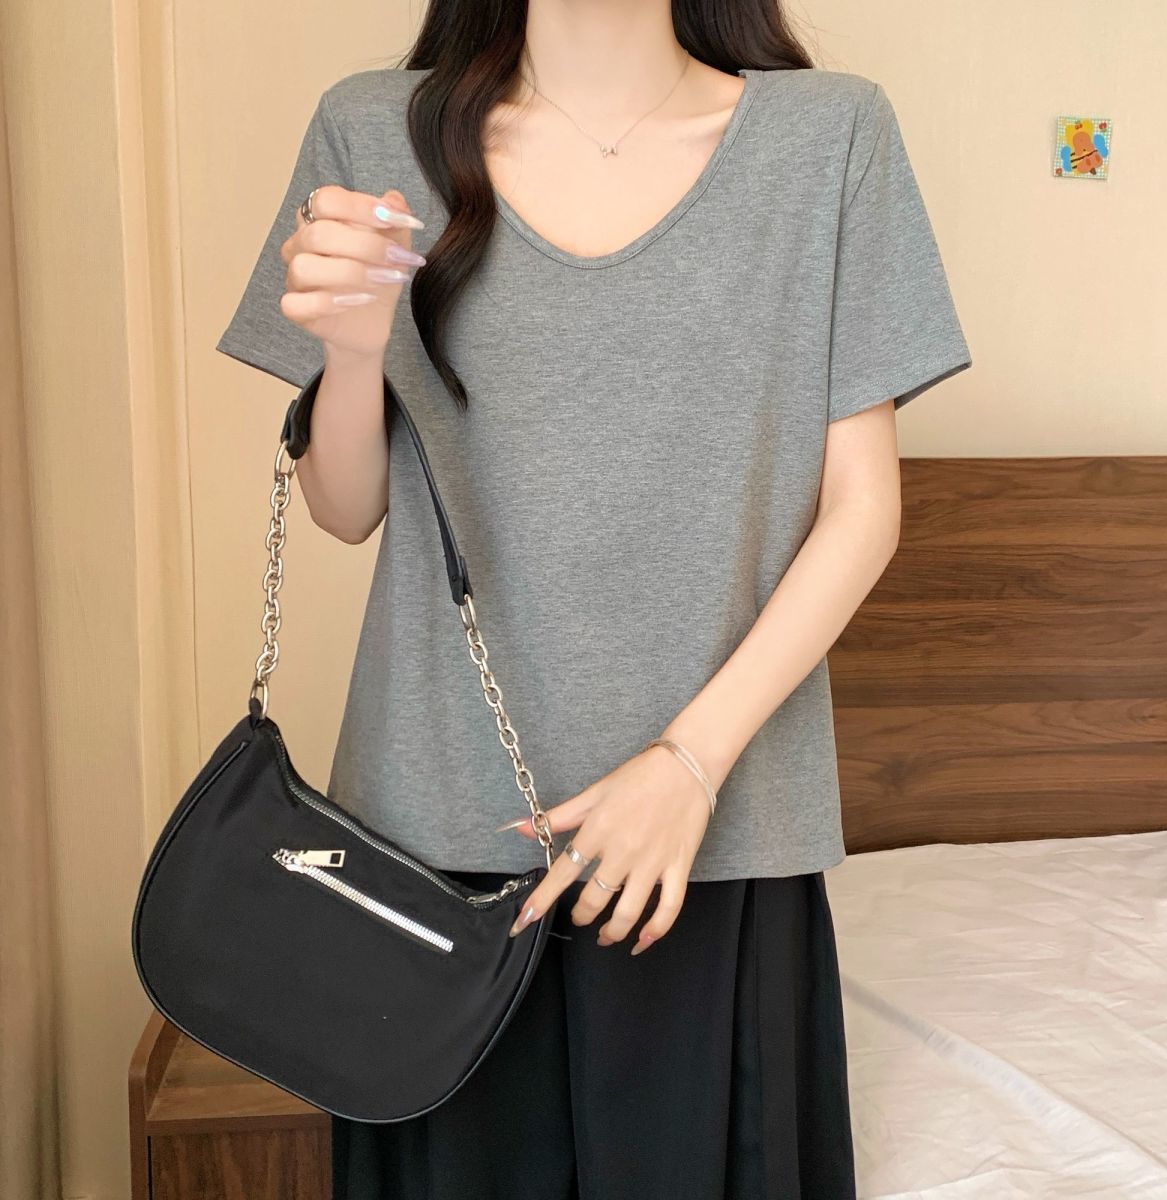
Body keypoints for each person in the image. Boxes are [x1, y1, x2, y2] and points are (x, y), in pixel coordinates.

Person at [215, 2, 972, 1196]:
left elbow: (863, 509)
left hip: (716, 839)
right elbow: (345, 508)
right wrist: (354, 352)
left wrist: (688, 766)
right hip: (433, 853)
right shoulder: (372, 131)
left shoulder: (829, 139)